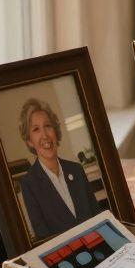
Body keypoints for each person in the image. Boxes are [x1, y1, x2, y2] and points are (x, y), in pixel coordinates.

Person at [17, 99, 103, 240]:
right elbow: (43, 236)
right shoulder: (29, 184)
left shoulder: (76, 170)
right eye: (36, 129)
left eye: (48, 126)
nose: (45, 135)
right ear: (29, 141)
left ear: (55, 131)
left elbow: (97, 216)